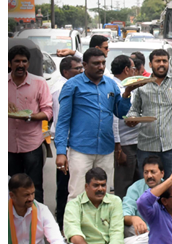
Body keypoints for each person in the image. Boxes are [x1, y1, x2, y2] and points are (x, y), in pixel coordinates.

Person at [55, 48, 135, 201]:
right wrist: (60, 151)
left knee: (102, 196)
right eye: (96, 63)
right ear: (85, 65)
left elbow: (120, 112)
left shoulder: (111, 85)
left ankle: (100, 225)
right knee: (78, 195)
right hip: (81, 149)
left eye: (103, 63)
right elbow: (63, 121)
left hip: (105, 149)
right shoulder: (72, 85)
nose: (101, 67)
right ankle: (74, 225)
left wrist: (126, 94)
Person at [126, 16, 172, 179]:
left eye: (164, 61)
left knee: (171, 185)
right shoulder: (141, 84)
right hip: (146, 145)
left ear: (168, 63)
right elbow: (134, 110)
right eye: (157, 61)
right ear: (150, 64)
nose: (162, 64)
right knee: (148, 185)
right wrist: (131, 119)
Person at [64, 168, 148, 244]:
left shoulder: (115, 201)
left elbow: (116, 232)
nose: (100, 189)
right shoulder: (74, 205)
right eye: (96, 185)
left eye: (103, 185)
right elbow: (73, 232)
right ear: (86, 187)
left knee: (148, 238)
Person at [8, 45, 53, 203]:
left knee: (35, 185)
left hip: (32, 145)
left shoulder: (39, 83)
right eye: (17, 61)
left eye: (24, 61)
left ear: (28, 63)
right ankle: (13, 222)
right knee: (11, 186)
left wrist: (29, 117)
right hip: (8, 145)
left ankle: (37, 220)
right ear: (9, 63)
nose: (21, 65)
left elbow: (48, 112)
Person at [50, 56, 83, 229]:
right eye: (77, 69)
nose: (81, 71)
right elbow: (60, 120)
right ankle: (63, 224)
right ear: (66, 72)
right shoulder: (62, 87)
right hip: (67, 142)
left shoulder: (73, 84)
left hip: (72, 141)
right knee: (66, 185)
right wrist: (63, 150)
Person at [110, 55, 141, 199]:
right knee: (124, 185)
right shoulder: (116, 87)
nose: (136, 71)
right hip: (125, 143)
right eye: (134, 68)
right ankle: (121, 218)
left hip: (136, 141)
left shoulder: (130, 86)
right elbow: (115, 119)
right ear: (127, 70)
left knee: (137, 183)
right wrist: (118, 146)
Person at [123, 155, 165, 238]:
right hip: (142, 233)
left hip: (164, 232)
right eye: (146, 172)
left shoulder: (170, 189)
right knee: (126, 228)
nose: (149, 176)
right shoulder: (135, 188)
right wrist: (133, 219)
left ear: (162, 173)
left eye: (153, 172)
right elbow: (124, 214)